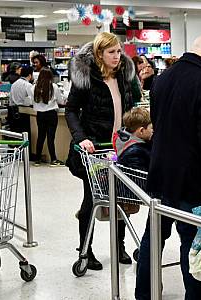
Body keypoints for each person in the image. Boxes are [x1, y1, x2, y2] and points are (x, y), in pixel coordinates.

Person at [136, 34, 201, 300]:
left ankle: (144, 294)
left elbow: (159, 124)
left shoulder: (163, 79)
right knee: (191, 240)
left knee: (153, 239)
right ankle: (195, 297)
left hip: (161, 173)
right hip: (192, 180)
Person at [65, 32, 142, 270]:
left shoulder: (125, 76)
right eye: (111, 52)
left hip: (120, 147)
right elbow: (71, 110)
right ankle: (85, 250)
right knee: (92, 199)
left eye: (119, 51)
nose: (117, 56)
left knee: (120, 197)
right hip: (95, 149)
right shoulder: (86, 77)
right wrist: (82, 138)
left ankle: (119, 246)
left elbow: (135, 104)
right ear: (100, 54)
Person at [32, 68, 65, 166]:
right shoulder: (54, 87)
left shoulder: (34, 87)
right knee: (51, 137)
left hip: (40, 115)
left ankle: (37, 160)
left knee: (41, 137)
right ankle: (53, 160)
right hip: (51, 114)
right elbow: (61, 101)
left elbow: (32, 100)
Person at [8, 66, 34, 136]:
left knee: (16, 135)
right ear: (30, 75)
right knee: (25, 135)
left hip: (13, 112)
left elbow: (10, 98)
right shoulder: (28, 85)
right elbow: (32, 100)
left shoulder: (14, 84)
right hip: (24, 114)